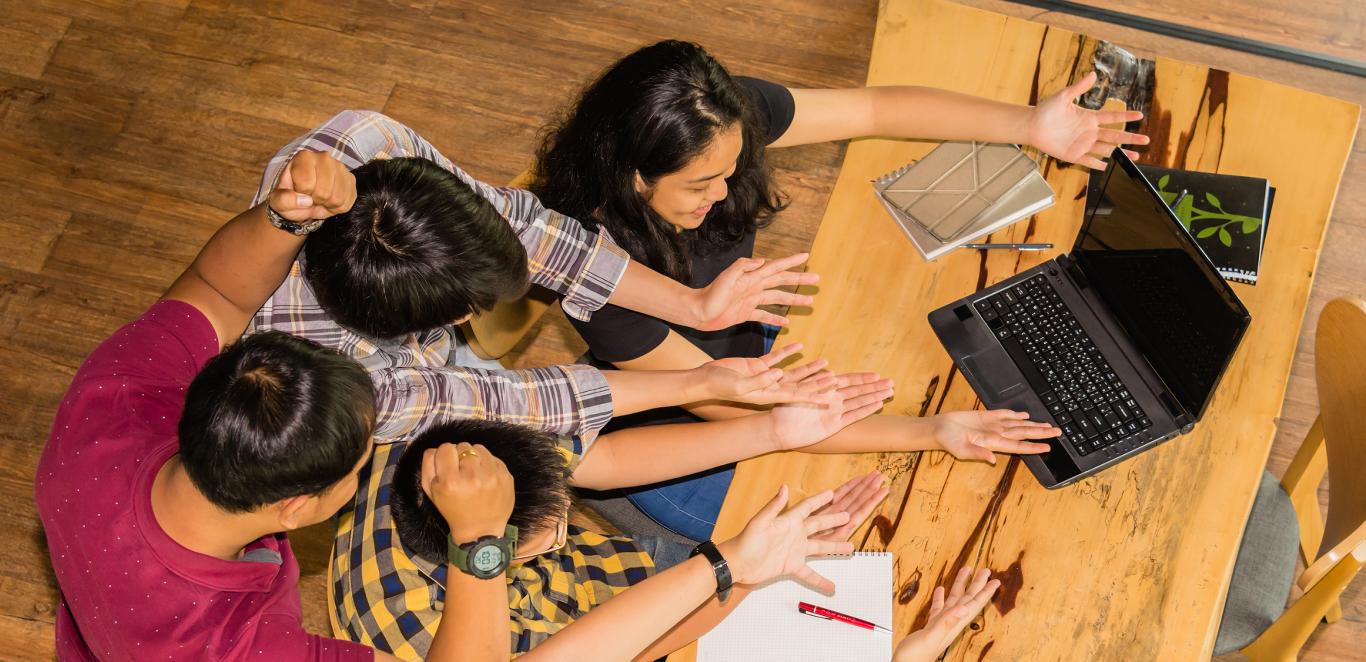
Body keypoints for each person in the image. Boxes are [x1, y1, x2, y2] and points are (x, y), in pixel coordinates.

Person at [530, 39, 1142, 542]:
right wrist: (929, 431)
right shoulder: (597, 282)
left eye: (731, 170)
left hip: (750, 367)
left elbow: (875, 110)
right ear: (635, 178)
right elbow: (736, 409)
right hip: (688, 430)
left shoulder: (716, 121)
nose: (722, 194)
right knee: (888, 521)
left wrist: (1030, 125)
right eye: (701, 185)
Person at [373, 419, 1003, 661]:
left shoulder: (458, 463)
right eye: (551, 533)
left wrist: (741, 570)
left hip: (645, 589)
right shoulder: (431, 632)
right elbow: (635, 651)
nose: (567, 533)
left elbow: (631, 639)